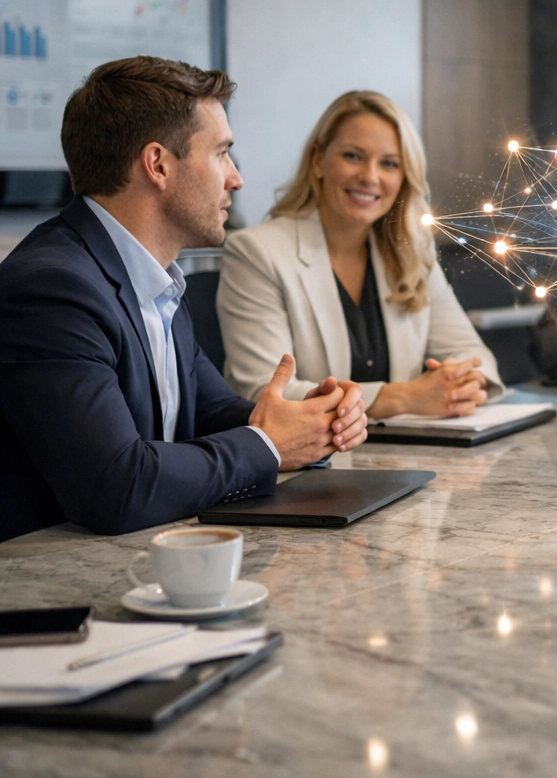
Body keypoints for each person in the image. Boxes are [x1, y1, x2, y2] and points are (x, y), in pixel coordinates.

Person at [0, 57, 367, 543]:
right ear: (158, 165)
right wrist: (270, 444)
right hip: (49, 578)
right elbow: (117, 488)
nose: (235, 178)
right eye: (221, 154)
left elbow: (211, 416)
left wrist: (311, 421)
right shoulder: (52, 288)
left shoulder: (157, 279)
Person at [218, 91, 507, 417]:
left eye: (389, 164)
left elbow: (472, 355)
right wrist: (402, 398)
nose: (370, 177)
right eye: (353, 156)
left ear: (404, 177)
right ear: (318, 160)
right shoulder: (257, 253)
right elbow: (265, 391)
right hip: (309, 451)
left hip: (408, 446)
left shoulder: (412, 250)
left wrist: (463, 384)